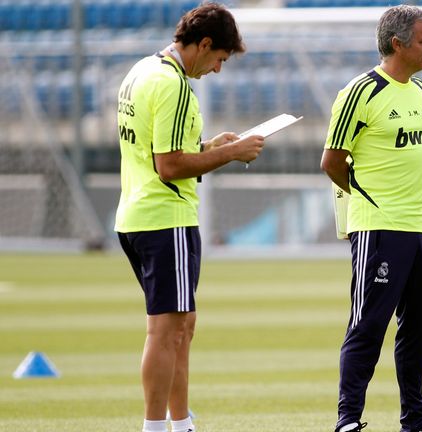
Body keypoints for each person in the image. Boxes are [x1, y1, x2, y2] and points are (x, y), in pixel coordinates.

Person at [114, 4, 264, 432]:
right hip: (166, 217)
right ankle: (156, 427)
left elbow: (156, 144)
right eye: (219, 59)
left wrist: (209, 144)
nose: (218, 70)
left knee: (182, 326)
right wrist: (230, 153)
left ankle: (181, 424)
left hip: (137, 214)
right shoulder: (175, 85)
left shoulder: (142, 71)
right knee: (166, 332)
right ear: (203, 45)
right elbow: (170, 166)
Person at [320, 5, 422, 432]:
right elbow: (332, 161)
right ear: (398, 43)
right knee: (368, 326)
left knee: (420, 331)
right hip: (378, 227)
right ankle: (348, 421)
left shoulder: (421, 92)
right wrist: (369, 199)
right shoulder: (360, 91)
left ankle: (415, 421)